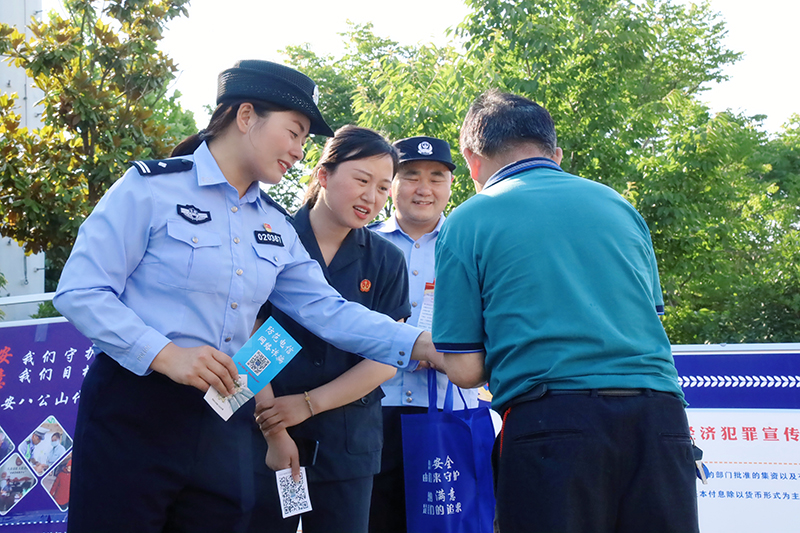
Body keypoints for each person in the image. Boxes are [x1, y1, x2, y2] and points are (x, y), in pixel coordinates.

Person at [53, 59, 440, 533]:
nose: (299, 151)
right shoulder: (151, 189)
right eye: (294, 131)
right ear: (245, 116)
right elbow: (81, 290)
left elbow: (328, 310)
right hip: (135, 410)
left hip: (227, 417)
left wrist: (423, 344)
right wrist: (166, 354)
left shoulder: (274, 224)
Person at [432, 90, 699, 533]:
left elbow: (464, 369)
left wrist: (419, 346)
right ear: (554, 153)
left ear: (471, 157)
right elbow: (649, 316)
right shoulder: (619, 206)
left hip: (552, 425)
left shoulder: (469, 219)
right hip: (661, 421)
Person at [249, 125, 407, 533]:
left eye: (383, 187)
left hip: (347, 442)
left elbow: (386, 359)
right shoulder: (269, 239)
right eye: (361, 180)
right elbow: (247, 331)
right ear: (324, 175)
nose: (371, 197)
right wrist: (273, 427)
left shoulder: (387, 261)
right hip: (265, 432)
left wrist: (309, 403)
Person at [368, 135, 480, 533]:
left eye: (437, 177)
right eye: (411, 176)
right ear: (392, 183)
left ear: (452, 185)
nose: (424, 189)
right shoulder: (363, 244)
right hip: (372, 414)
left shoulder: (472, 244)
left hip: (452, 414)